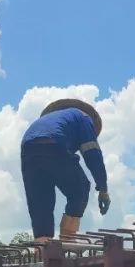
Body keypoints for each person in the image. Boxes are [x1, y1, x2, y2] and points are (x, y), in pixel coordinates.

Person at [20, 99, 110, 242]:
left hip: (28, 147)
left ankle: (42, 247)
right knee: (79, 190)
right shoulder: (84, 119)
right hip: (54, 143)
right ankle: (68, 240)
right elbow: (93, 155)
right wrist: (103, 189)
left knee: (41, 202)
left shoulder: (54, 119)